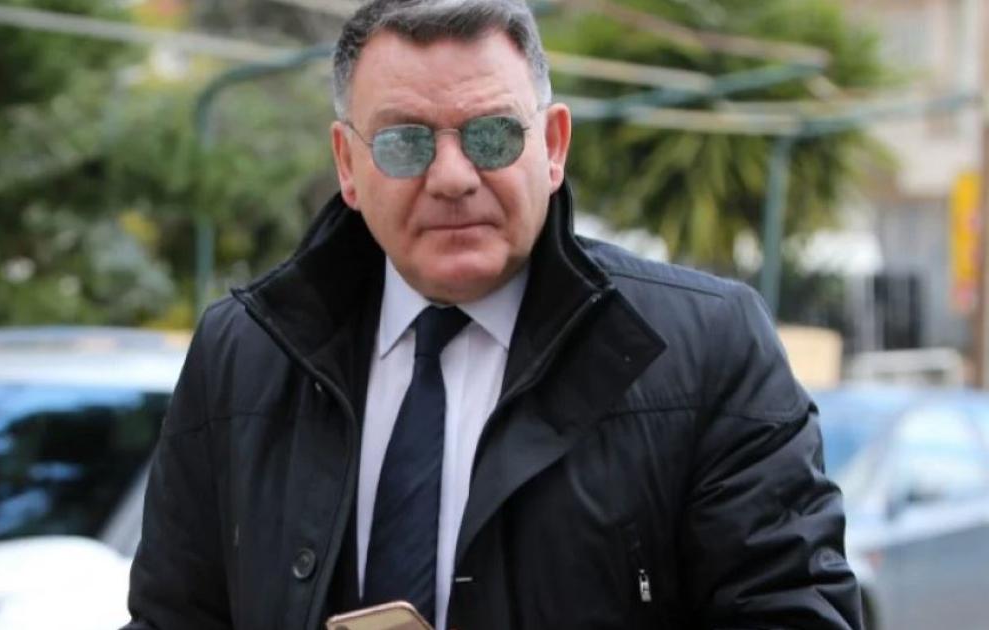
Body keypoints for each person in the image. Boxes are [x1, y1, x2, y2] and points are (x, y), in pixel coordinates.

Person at [123, 1, 862, 628]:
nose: (452, 177)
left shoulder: (704, 350)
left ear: (553, 145)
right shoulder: (243, 354)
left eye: (492, 136)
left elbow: (793, 611)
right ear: (347, 165)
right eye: (405, 142)